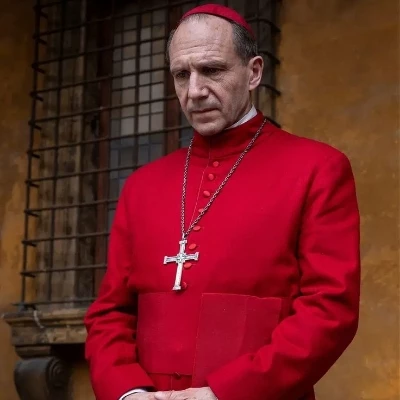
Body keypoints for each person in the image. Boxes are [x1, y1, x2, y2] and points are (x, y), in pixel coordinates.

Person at [84, 4, 361, 400]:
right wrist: (128, 393)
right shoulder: (142, 186)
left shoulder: (317, 168)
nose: (194, 91)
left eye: (212, 70)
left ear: (254, 72)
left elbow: (329, 310)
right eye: (182, 75)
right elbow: (110, 313)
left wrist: (222, 393)